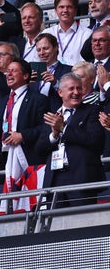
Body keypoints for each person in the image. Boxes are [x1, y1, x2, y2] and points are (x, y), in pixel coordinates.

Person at [39, 73, 104, 207]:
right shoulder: (53, 115)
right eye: (71, 89)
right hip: (55, 178)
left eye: (79, 88)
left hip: (81, 177)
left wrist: (63, 128)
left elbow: (94, 140)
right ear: (60, 92)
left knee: (83, 222)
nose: (76, 92)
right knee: (55, 225)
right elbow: (39, 148)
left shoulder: (92, 110)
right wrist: (54, 135)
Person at [0, 59, 49, 212]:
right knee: (12, 201)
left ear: (25, 76)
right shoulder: (4, 99)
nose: (8, 74)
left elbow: (44, 127)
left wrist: (23, 135)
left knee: (31, 202)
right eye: (7, 71)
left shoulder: (38, 99)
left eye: (13, 70)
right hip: (8, 156)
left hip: (30, 157)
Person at [45, 0, 91, 66]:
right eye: (61, 7)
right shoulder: (47, 33)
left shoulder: (86, 34)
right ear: (56, 10)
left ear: (76, 10)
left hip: (77, 76)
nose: (65, 10)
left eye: (69, 7)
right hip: (51, 76)